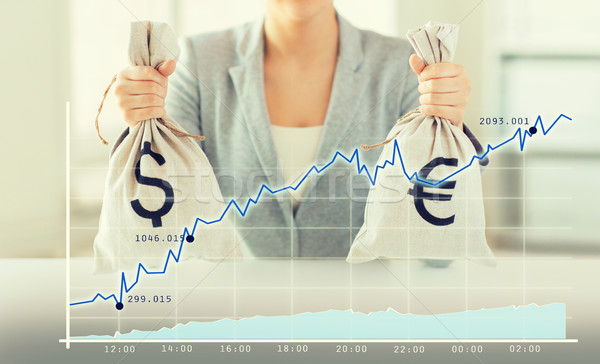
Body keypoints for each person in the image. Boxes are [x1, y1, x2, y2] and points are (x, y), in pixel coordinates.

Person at [112, 0, 484, 259]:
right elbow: (164, 209)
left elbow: (437, 221)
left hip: (367, 313)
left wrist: (448, 124)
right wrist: (143, 123)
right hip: (236, 309)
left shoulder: (402, 66)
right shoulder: (197, 60)